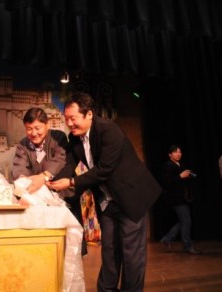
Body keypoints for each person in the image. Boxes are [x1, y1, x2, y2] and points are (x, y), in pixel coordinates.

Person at [48, 92, 161, 292]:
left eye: (73, 118)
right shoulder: (74, 139)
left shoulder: (108, 130)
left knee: (131, 253)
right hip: (107, 202)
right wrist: (52, 180)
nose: (69, 124)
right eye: (66, 119)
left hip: (131, 197)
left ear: (89, 114)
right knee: (109, 250)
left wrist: (72, 182)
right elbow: (69, 165)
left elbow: (104, 169)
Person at [11, 107, 87, 256]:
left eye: (37, 128)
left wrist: (44, 176)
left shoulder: (58, 137)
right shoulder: (23, 145)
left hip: (63, 193)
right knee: (46, 246)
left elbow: (60, 159)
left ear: (47, 125)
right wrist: (23, 183)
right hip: (39, 198)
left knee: (72, 241)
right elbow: (20, 167)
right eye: (29, 129)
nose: (33, 133)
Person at [159, 145, 202, 255]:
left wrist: (189, 175)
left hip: (183, 197)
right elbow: (166, 182)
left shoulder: (180, 165)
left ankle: (167, 238)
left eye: (180, 152)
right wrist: (180, 176)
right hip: (175, 198)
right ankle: (188, 246)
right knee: (186, 220)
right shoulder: (168, 166)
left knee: (183, 220)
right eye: (175, 152)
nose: (178, 154)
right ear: (170, 155)